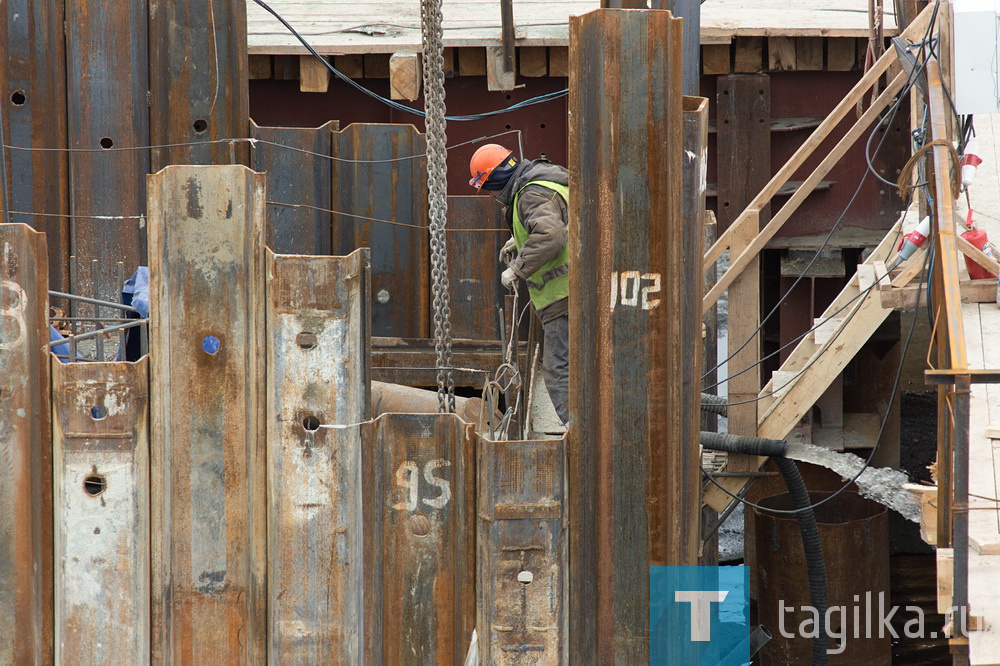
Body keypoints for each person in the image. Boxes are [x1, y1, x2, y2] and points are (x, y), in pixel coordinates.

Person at [469, 143, 570, 425]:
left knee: (557, 369)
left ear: (496, 178)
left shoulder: (528, 195)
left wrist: (517, 268)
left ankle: (580, 437)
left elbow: (551, 236)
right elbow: (563, 219)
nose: (489, 194)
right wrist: (522, 238)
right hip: (586, 287)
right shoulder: (547, 179)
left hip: (564, 295)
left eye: (487, 186)